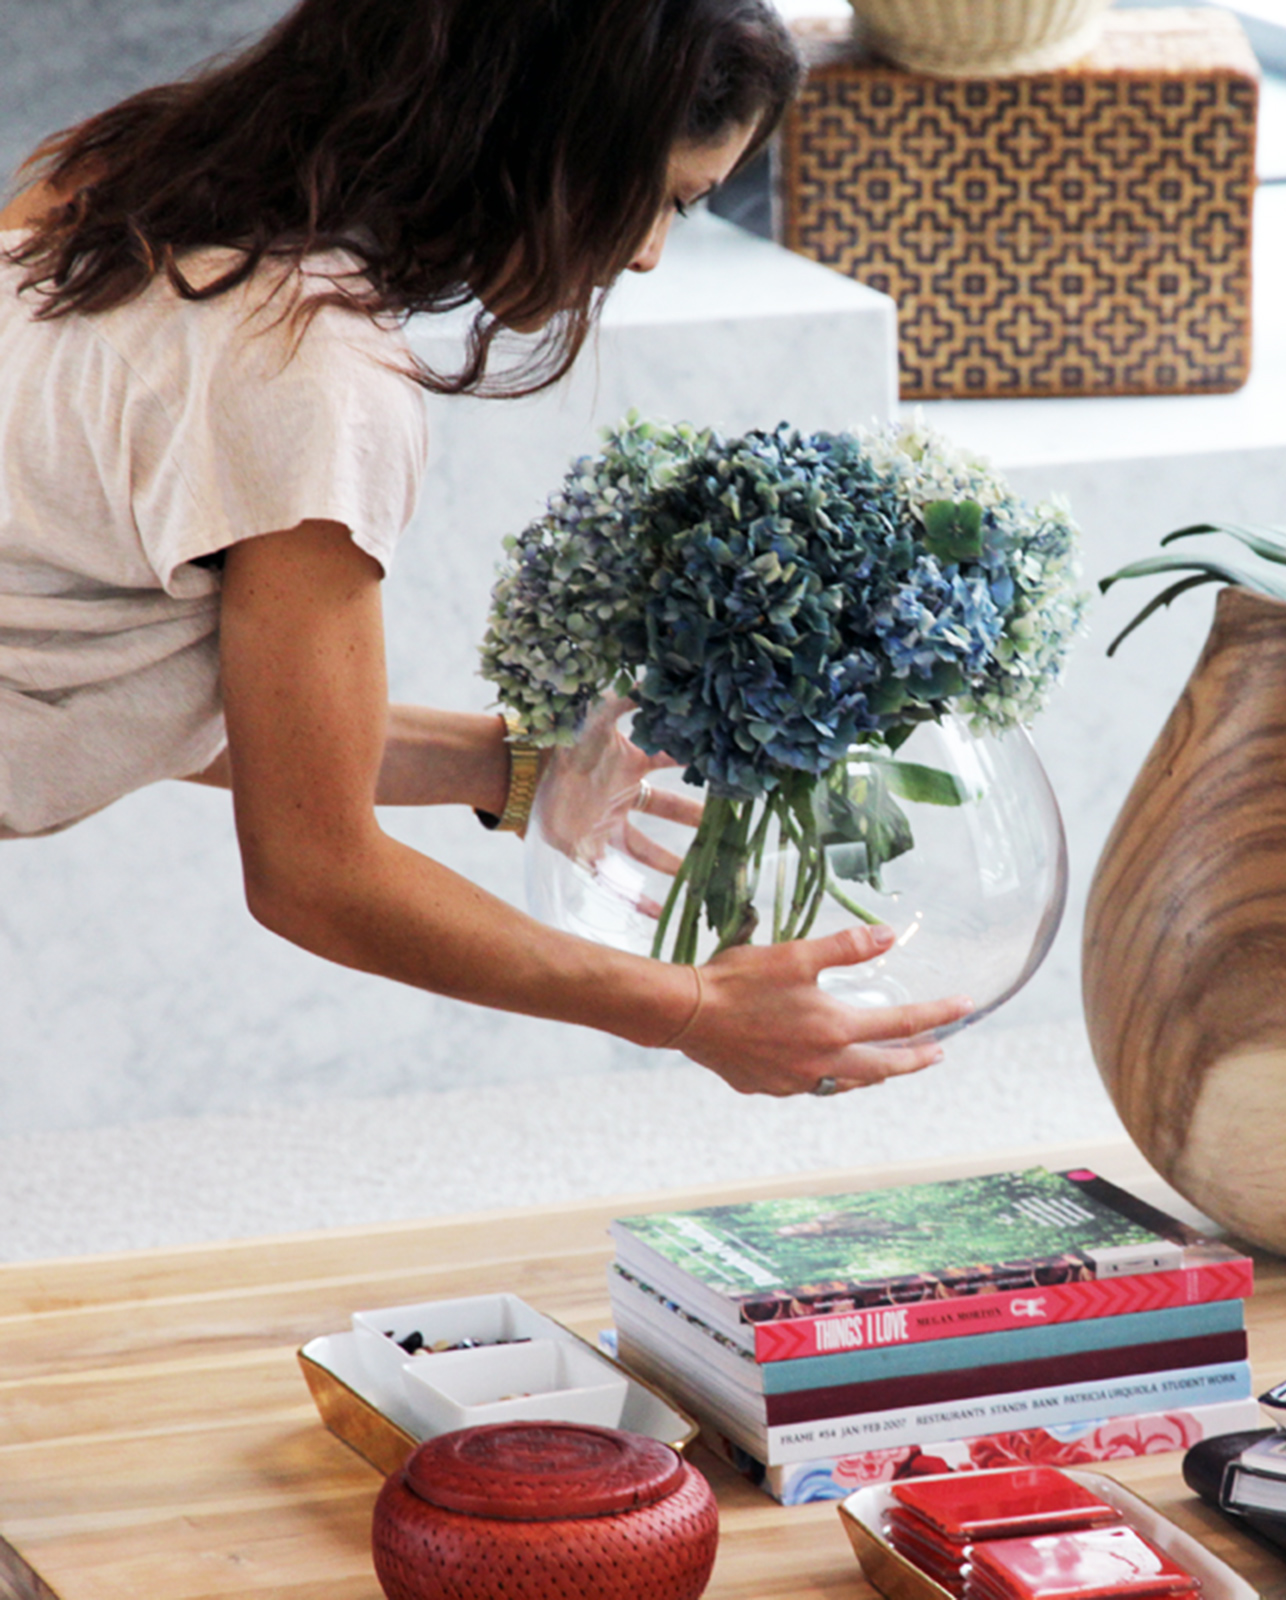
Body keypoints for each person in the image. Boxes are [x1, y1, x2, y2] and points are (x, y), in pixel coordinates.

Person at [0, 0, 971, 1096]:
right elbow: (317, 873)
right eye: (660, 198)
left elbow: (86, 674)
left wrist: (511, 765)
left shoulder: (124, 175)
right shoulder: (310, 377)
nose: (647, 254)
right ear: (552, 134)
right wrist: (696, 1008)